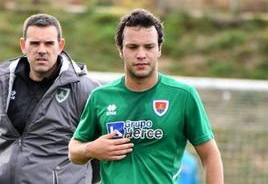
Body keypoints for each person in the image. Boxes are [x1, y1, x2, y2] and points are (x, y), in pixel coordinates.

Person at [68, 9, 224, 184]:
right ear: (121, 50)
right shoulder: (100, 97)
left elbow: (210, 155)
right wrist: (91, 149)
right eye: (133, 47)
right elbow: (74, 151)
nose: (141, 54)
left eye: (149, 47)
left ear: (159, 49)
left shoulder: (183, 96)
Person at [0, 13, 100, 183]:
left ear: (60, 45)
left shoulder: (85, 89)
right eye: (34, 43)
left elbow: (98, 150)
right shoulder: (4, 82)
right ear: (23, 45)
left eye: (48, 43)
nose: (41, 50)